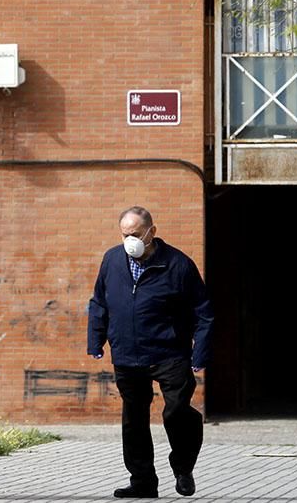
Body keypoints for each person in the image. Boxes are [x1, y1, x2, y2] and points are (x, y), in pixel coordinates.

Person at [87, 206, 213, 499]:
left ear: (151, 232)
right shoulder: (112, 260)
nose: (129, 240)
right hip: (128, 355)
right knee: (134, 420)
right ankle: (143, 481)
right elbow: (99, 302)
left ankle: (183, 467)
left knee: (177, 412)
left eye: (135, 234)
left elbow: (203, 312)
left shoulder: (178, 265)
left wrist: (200, 354)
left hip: (169, 353)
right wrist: (96, 340)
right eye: (124, 234)